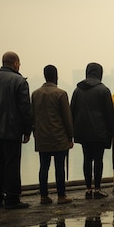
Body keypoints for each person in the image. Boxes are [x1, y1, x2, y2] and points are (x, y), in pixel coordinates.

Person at [0, 51, 33, 209]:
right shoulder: (20, 81)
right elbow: (25, 109)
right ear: (15, 63)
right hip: (12, 131)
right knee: (11, 164)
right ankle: (12, 199)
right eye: (19, 63)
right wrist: (27, 130)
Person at [71, 62, 114, 200]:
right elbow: (109, 114)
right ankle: (97, 188)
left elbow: (72, 111)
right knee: (98, 160)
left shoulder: (77, 90)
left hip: (82, 131)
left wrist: (73, 131)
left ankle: (88, 188)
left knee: (87, 159)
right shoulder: (103, 90)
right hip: (99, 132)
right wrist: (111, 132)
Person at [31, 65, 73, 205]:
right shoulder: (61, 94)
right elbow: (67, 118)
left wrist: (34, 132)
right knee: (59, 167)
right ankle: (61, 196)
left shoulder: (35, 94)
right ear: (56, 76)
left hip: (42, 136)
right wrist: (70, 136)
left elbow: (32, 116)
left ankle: (44, 196)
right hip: (59, 137)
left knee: (44, 167)